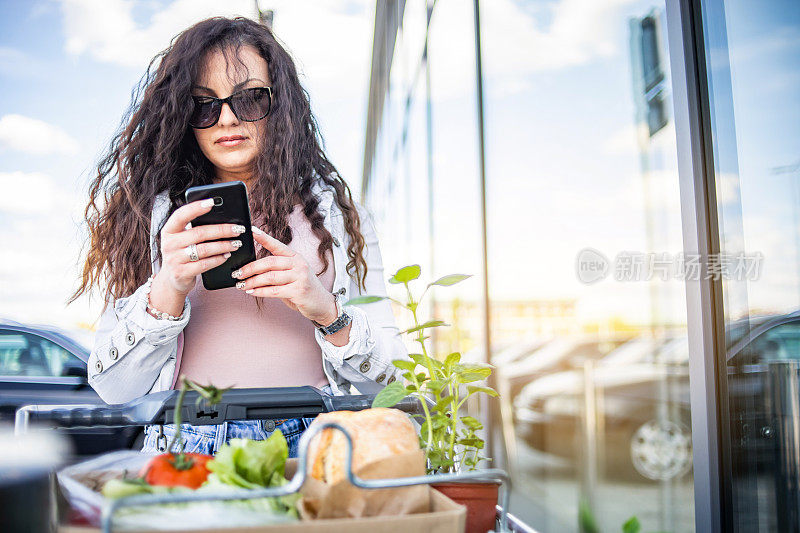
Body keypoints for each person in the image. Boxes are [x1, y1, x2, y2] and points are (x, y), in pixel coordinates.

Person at [69, 16, 408, 457]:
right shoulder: (153, 218)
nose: (226, 118)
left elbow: (393, 381)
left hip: (317, 441)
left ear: (281, 103)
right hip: (186, 441)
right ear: (183, 119)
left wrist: (323, 308)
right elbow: (114, 389)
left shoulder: (341, 217)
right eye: (203, 105)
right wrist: (167, 288)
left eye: (249, 99)